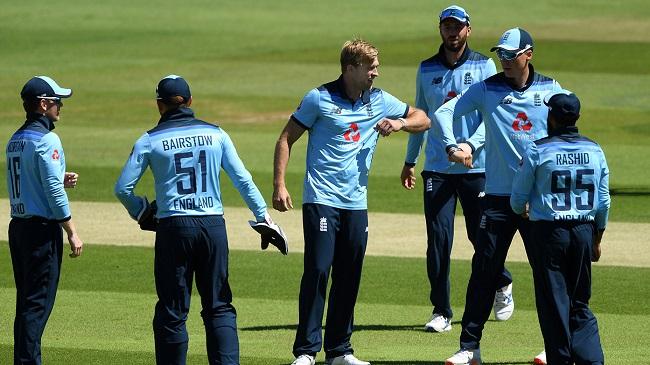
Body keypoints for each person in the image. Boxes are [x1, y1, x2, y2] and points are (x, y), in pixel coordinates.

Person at [273, 39, 430, 365]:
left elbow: (423, 119)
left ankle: (339, 351)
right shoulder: (319, 97)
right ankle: (305, 351)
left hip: (356, 203)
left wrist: (400, 123)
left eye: (376, 66)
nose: (376, 72)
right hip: (321, 199)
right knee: (318, 270)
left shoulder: (380, 100)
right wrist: (279, 185)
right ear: (350, 68)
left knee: (349, 275)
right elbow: (286, 138)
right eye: (370, 67)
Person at [114, 75, 286, 365]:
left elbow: (122, 188)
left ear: (159, 105)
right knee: (219, 307)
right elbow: (243, 180)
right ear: (191, 102)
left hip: (174, 229)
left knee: (173, 311)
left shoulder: (149, 140)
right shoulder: (216, 134)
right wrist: (264, 218)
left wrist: (142, 211)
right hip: (213, 228)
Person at [435, 28, 564, 364]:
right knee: (484, 272)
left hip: (539, 203)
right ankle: (469, 348)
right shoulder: (487, 88)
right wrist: (454, 144)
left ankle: (556, 349)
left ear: (529, 54)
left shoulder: (552, 90)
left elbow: (567, 131)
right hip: (498, 198)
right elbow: (445, 112)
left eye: (511, 54)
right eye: (501, 55)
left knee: (548, 275)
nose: (505, 60)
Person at [401, 5, 514, 333]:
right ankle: (441, 311)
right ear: (441, 29)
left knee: (480, 237)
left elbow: (492, 115)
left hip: (476, 166)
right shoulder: (426, 69)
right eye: (447, 27)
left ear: (468, 29)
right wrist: (410, 160)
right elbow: (420, 117)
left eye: (458, 27)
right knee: (438, 240)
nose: (452, 32)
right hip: (436, 167)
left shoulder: (484, 65)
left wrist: (470, 146)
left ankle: (502, 282)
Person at [511, 91, 609, 365]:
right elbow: (603, 201)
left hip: (549, 234)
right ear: (576, 117)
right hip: (583, 231)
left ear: (552, 117)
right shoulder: (594, 149)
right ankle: (592, 360)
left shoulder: (537, 149)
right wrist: (597, 239)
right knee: (579, 302)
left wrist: (524, 211)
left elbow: (517, 199)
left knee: (554, 304)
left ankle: (561, 361)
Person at [6, 76, 84, 365]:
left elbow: (28, 180)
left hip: (19, 228)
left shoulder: (16, 138)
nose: (60, 107)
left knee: (27, 303)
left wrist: (58, 177)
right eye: (56, 102)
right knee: (37, 305)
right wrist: (71, 230)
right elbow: (52, 190)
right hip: (41, 231)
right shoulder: (48, 138)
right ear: (42, 104)